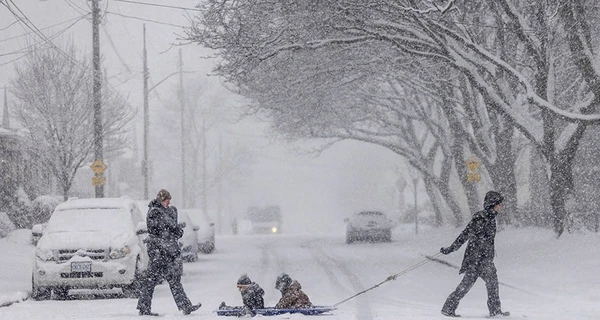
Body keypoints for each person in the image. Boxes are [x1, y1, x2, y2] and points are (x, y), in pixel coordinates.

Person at [439, 191, 510, 318]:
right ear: (492, 204)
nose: (501, 206)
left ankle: (449, 307)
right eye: (499, 204)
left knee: (484, 283)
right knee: (474, 283)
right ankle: (494, 311)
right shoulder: (481, 217)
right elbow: (465, 234)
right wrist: (451, 249)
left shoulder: (491, 218)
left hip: (483, 259)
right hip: (477, 259)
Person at [137, 189, 201, 316]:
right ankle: (144, 307)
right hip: (158, 252)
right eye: (166, 200)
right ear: (161, 200)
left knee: (172, 280)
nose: (168, 202)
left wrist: (174, 228)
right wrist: (173, 227)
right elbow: (166, 228)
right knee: (152, 280)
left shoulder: (167, 211)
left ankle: (185, 306)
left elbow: (174, 230)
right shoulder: (155, 212)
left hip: (167, 252)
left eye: (169, 200)